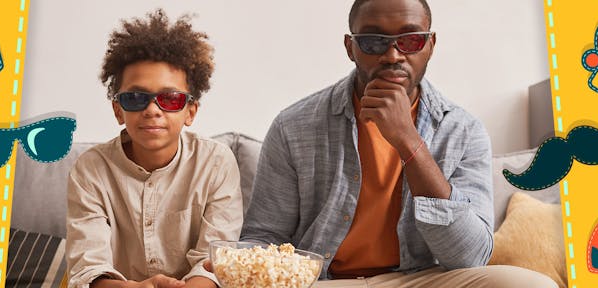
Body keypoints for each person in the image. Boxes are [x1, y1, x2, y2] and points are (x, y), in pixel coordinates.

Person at [238, 0, 558, 287]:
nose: (393, 56)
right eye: (374, 41)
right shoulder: (294, 126)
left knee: (528, 284)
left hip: (417, 279)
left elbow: (470, 256)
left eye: (411, 40)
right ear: (351, 47)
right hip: (321, 281)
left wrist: (408, 141)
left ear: (430, 45)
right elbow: (263, 236)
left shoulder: (463, 130)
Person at [66, 9, 243, 288]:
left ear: (190, 111)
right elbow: (89, 269)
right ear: (118, 110)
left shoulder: (216, 163)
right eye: (136, 97)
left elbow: (213, 262)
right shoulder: (91, 170)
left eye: (170, 99)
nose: (152, 110)